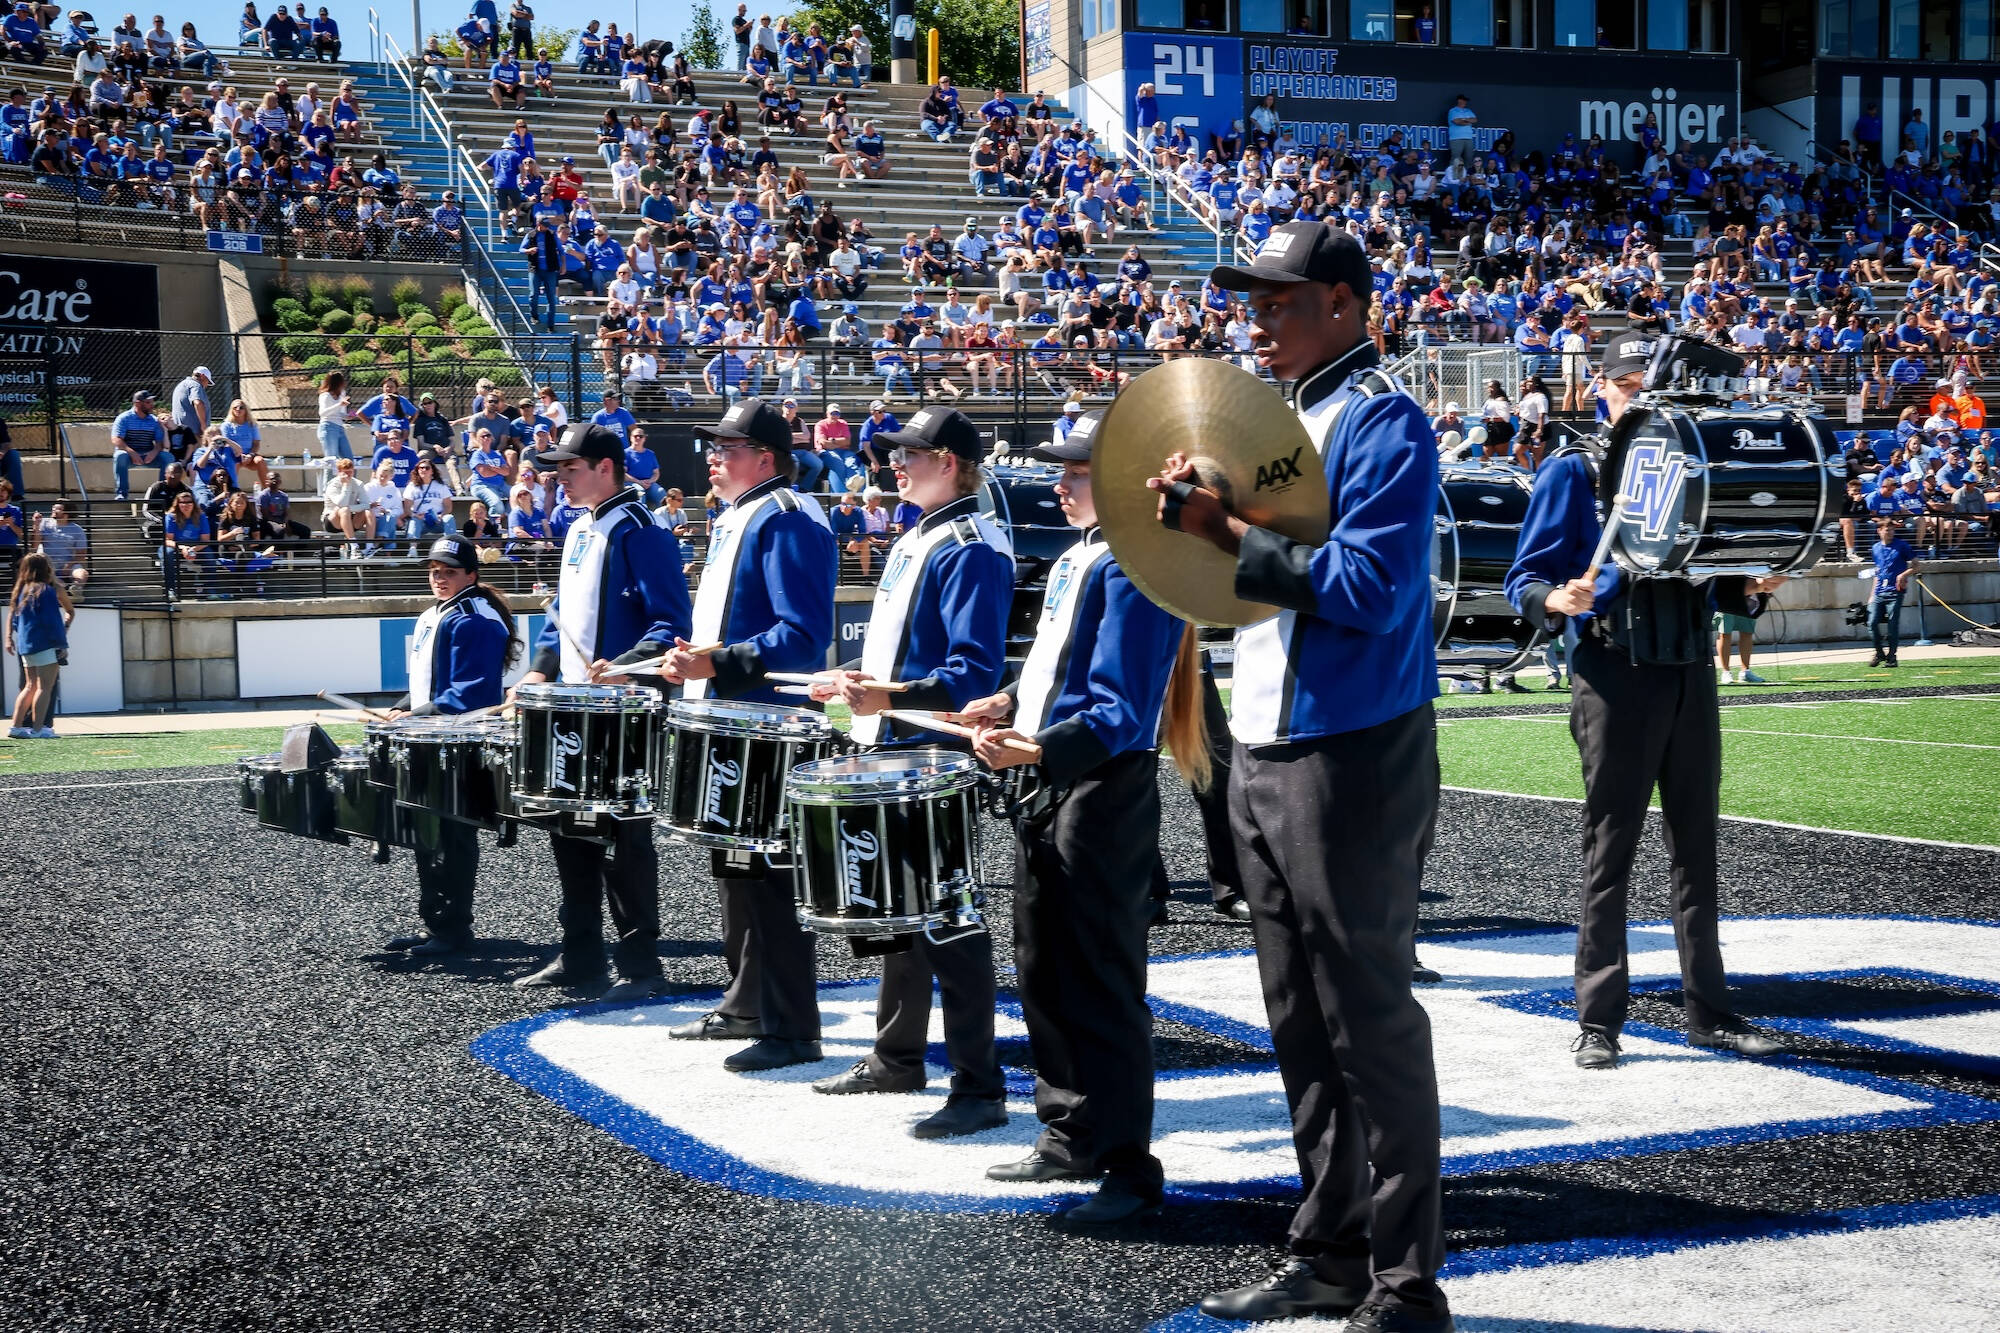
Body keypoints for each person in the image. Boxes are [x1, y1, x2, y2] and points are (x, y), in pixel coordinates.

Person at [1152, 222, 1451, 1332]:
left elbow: (1369, 588)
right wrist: (1185, 515)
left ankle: (1408, 1284)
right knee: (1298, 1024)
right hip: (1268, 742)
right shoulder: (1277, 428)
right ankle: (1327, 1252)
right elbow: (1236, 576)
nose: (1256, 322)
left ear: (1341, 303)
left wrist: (1220, 524)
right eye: (1252, 303)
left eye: (1278, 303)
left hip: (1352, 746)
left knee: (1368, 1021)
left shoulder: (1381, 419)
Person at [1506, 328, 1790, 1076]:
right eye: (1627, 384)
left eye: (1648, 384)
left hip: (1689, 670)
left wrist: (1748, 592)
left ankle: (1711, 1010)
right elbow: (1523, 576)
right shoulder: (1576, 470)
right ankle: (1599, 1019)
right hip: (1614, 673)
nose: (1639, 395)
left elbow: (1711, 569)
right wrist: (1554, 597)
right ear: (1601, 387)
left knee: (1697, 848)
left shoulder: (1689, 461)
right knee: (1612, 852)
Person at [959, 410, 1196, 1226]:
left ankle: (1130, 1163)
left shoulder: (1135, 562)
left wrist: (1035, 749)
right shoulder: (1079, 557)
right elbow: (1062, 673)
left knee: (1100, 983)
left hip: (1099, 794)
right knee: (1043, 970)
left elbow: (1121, 709)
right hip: (1053, 785)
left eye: (1077, 471)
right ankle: (1068, 1135)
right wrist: (1007, 701)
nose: (1058, 482)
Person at [807, 407, 1013, 1142]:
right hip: (895, 746)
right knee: (902, 911)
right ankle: (897, 1053)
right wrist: (859, 681)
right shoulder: (918, 535)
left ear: (952, 460)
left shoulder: (970, 546)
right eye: (895, 453)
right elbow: (912, 664)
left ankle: (979, 1085)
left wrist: (887, 694)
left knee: (950, 920)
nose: (897, 463)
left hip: (934, 757)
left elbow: (970, 673)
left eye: (913, 453)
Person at [659, 397, 836, 1073]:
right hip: (735, 722)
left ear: (766, 457)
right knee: (739, 875)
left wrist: (716, 661)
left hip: (771, 729)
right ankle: (750, 1002)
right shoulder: (740, 514)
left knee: (769, 880)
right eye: (712, 445)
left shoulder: (787, 516)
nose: (712, 456)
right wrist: (698, 659)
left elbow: (802, 635)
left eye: (727, 447)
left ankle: (793, 1027)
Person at [512, 425, 692, 1002]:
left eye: (571, 467)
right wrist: (540, 667)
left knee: (624, 838)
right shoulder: (579, 529)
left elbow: (671, 624)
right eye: (557, 467)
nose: (558, 476)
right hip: (572, 705)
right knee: (568, 830)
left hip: (624, 707)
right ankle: (581, 954)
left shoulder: (642, 531)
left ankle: (641, 967)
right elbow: (561, 617)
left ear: (607, 467)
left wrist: (626, 662)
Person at [380, 535, 517, 958]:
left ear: (471, 575)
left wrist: (415, 716)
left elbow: (472, 692)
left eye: (450, 571)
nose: (439, 577)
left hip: (458, 741)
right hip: (432, 736)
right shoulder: (435, 614)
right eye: (434, 570)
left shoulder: (475, 617)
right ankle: (436, 923)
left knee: (451, 836)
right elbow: (427, 683)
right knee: (428, 832)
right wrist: (401, 708)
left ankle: (454, 929)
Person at [7, 551, 70, 738]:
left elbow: (17, 621)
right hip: (45, 644)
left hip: (26, 645)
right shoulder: (47, 591)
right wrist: (62, 644)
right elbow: (53, 621)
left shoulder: (22, 591)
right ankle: (38, 729)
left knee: (29, 686)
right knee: (44, 687)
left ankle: (16, 727)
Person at [1867, 516, 1915, 667]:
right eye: (1887, 530)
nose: (1890, 533)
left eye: (1892, 530)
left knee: (1892, 624)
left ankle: (1892, 656)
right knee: (1871, 622)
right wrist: (1872, 594)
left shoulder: (1902, 546)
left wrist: (1904, 574)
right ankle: (1879, 653)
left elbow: (1917, 565)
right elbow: (1877, 571)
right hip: (1879, 591)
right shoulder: (1875, 548)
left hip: (1896, 591)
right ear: (1879, 531)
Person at [111, 388, 171, 501]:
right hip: (129, 455)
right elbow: (116, 439)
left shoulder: (154, 421)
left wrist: (154, 452)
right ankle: (122, 494)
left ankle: (162, 493)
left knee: (168, 457)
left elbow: (159, 442)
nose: (152, 405)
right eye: (148, 402)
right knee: (120, 457)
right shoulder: (124, 418)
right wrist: (132, 453)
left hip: (148, 455)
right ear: (137, 403)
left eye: (152, 401)